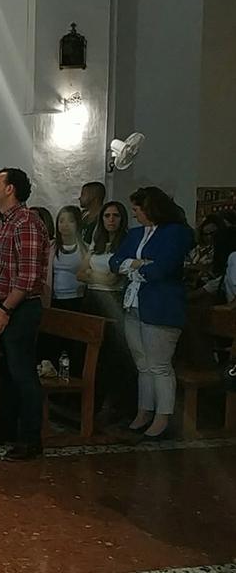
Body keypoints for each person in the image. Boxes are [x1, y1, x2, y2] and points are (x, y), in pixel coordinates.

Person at [110, 187, 194, 440]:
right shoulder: (136, 234)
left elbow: (163, 268)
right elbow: (116, 262)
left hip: (161, 305)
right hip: (134, 303)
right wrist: (139, 265)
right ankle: (143, 411)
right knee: (142, 364)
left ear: (150, 208)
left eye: (137, 209)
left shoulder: (177, 233)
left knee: (159, 365)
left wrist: (135, 268)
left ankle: (163, 417)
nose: (134, 215)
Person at [0, 168, 50, 461]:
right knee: (6, 372)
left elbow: (28, 276)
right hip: (2, 304)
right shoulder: (1, 223)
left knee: (23, 373)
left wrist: (6, 309)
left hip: (20, 307)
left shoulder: (26, 223)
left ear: (10, 189)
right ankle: (5, 428)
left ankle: (30, 438)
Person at [78, 201, 136, 420]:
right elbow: (80, 273)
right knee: (91, 354)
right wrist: (95, 276)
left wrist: (94, 275)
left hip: (113, 299)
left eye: (116, 216)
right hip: (92, 298)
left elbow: (114, 280)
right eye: (107, 216)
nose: (111, 220)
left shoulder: (126, 244)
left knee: (112, 355)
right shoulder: (97, 243)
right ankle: (92, 403)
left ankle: (114, 405)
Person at [51, 206, 87, 311]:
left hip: (77, 298)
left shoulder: (85, 248)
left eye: (71, 221)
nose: (65, 225)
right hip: (53, 298)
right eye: (61, 221)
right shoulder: (50, 247)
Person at [79, 181, 106, 245]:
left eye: (83, 194)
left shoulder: (104, 218)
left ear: (94, 197)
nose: (79, 198)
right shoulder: (82, 216)